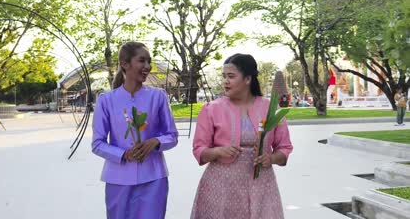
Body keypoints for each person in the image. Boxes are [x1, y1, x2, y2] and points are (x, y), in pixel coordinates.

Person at [191, 53, 293, 219]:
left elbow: (285, 147)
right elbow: (199, 149)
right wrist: (218, 151)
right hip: (221, 186)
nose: (225, 81)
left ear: (247, 79)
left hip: (262, 185)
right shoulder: (211, 109)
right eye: (224, 76)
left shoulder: (270, 108)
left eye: (231, 76)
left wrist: (271, 158)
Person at [92, 41, 178, 219]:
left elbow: (172, 136)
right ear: (125, 64)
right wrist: (124, 154)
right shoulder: (106, 100)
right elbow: (97, 144)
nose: (147, 66)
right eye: (142, 61)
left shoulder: (158, 97)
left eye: (149, 61)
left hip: (154, 178)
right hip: (118, 179)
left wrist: (156, 142)